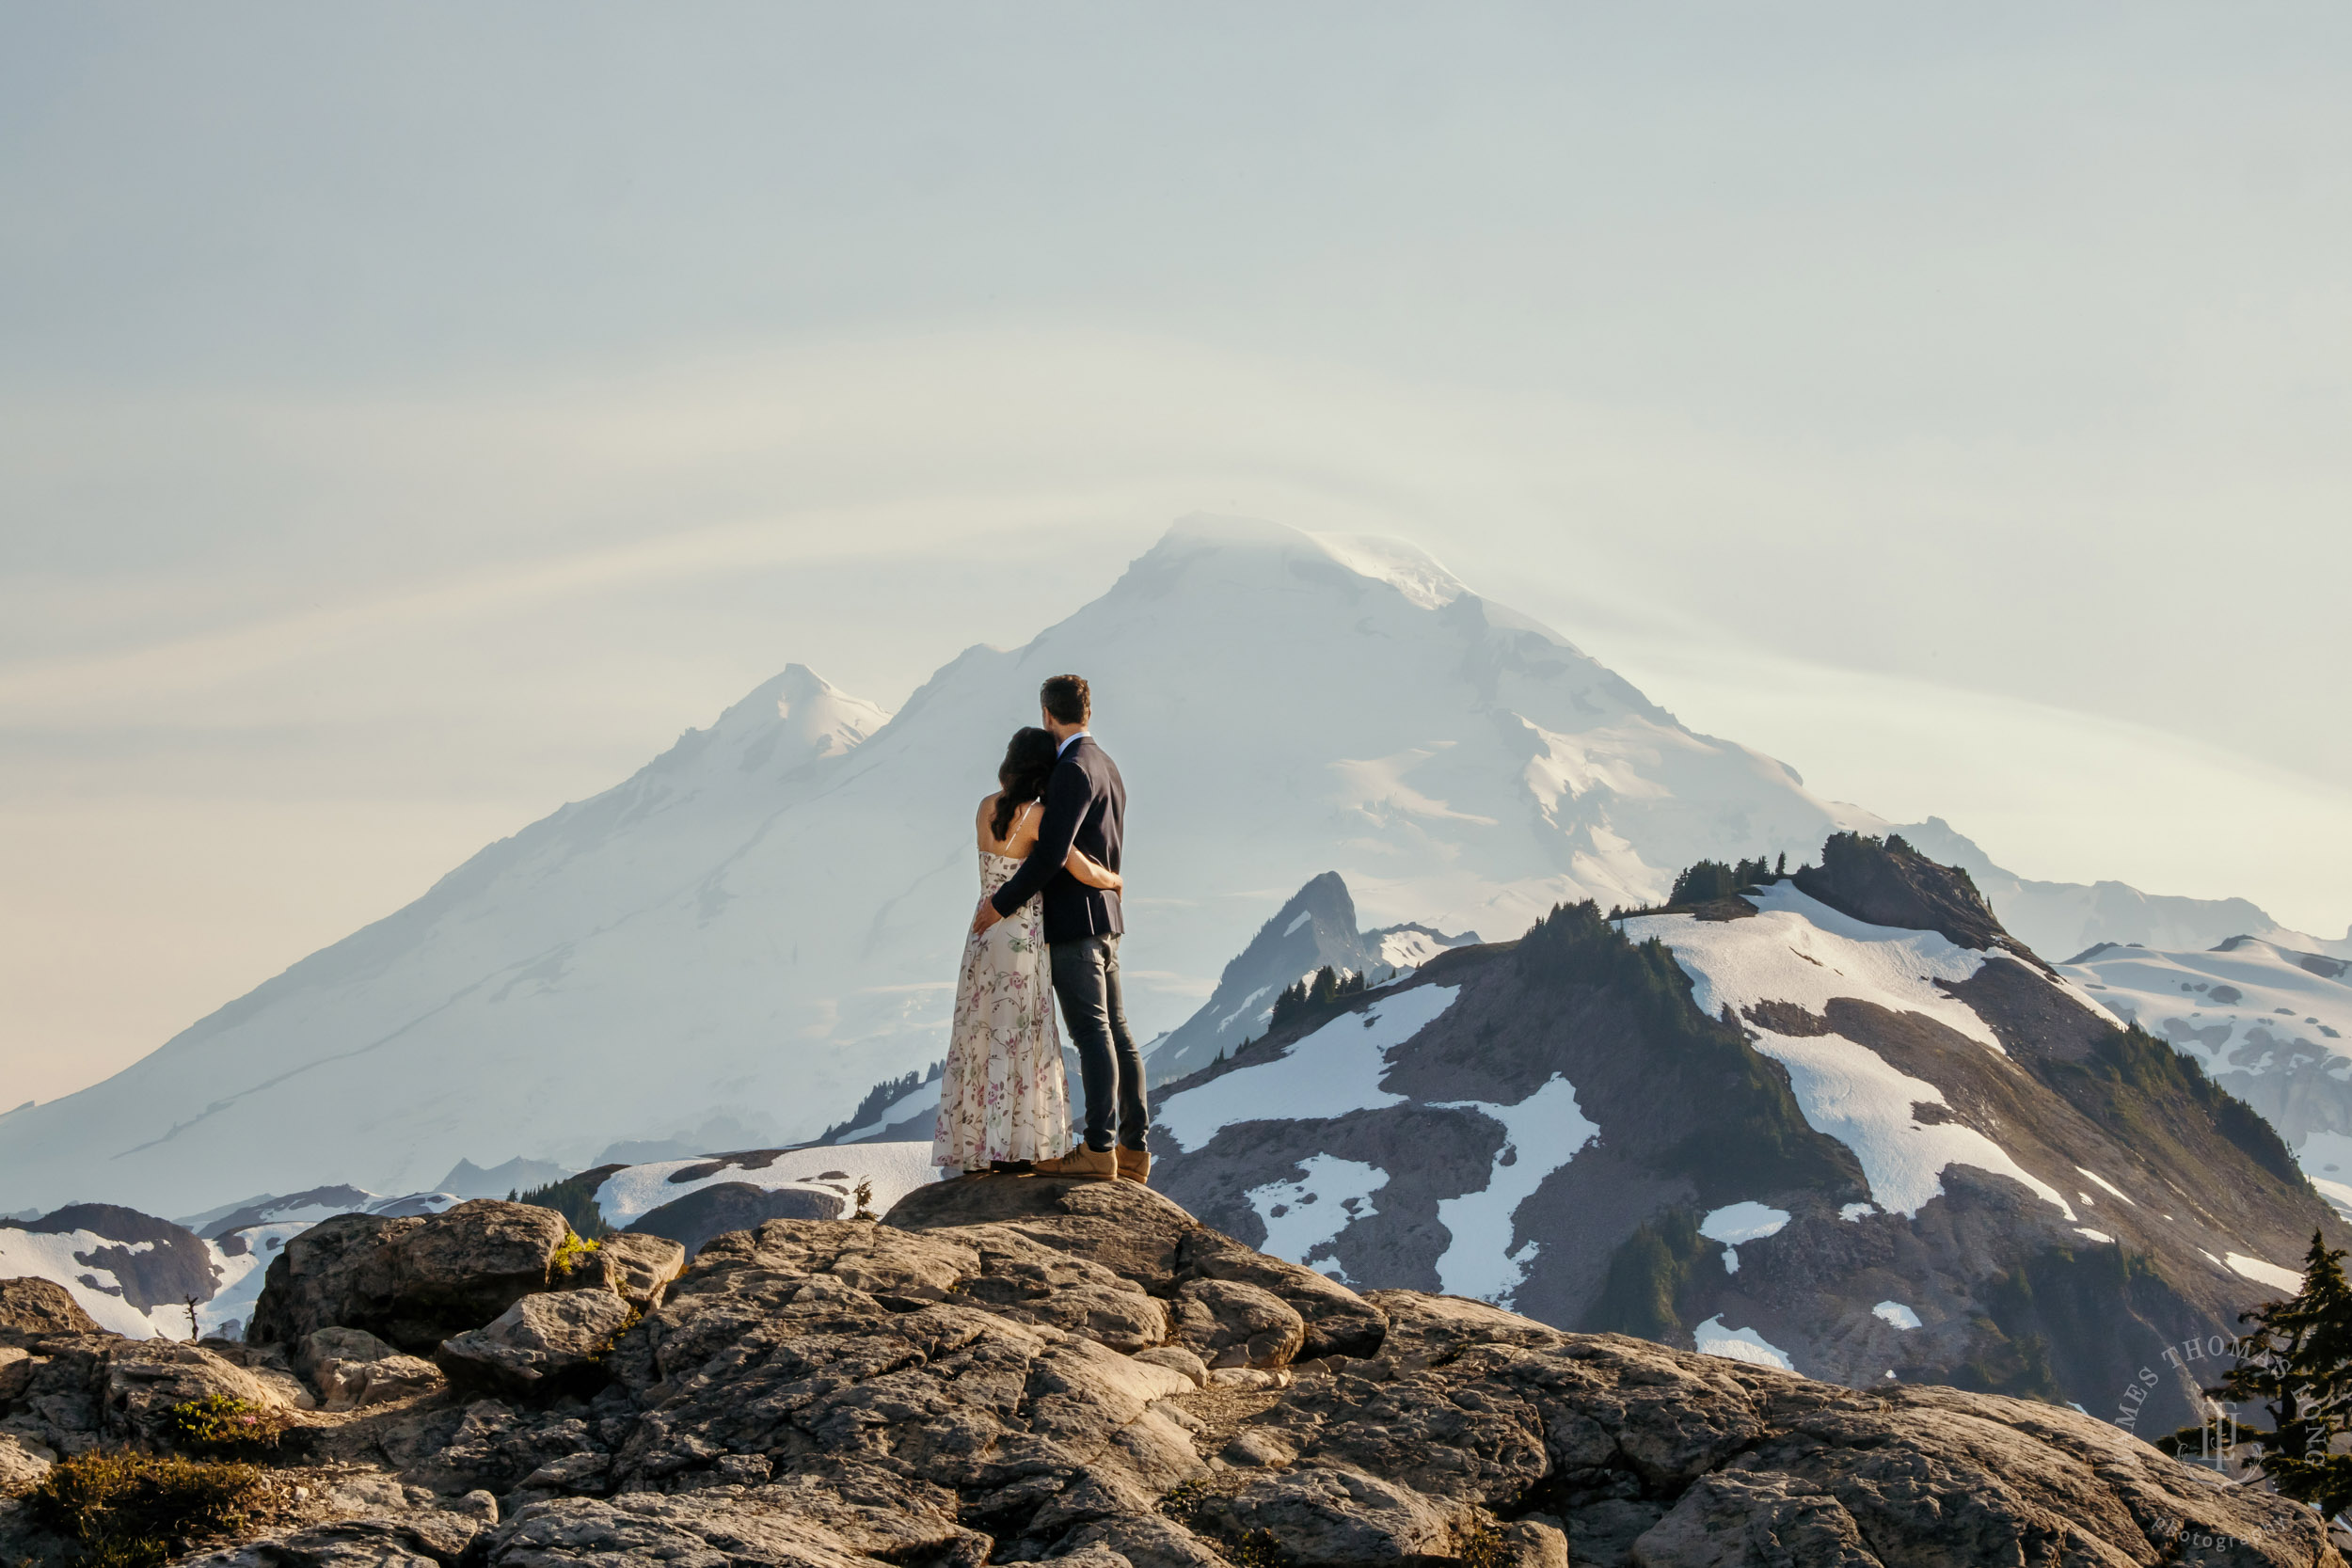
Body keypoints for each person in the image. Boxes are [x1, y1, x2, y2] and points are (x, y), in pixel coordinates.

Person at [972, 673, 1147, 1181]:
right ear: (1087, 711)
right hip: (1106, 919)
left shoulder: (1071, 769)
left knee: (1092, 1033)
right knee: (1119, 1032)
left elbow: (1052, 852)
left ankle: (1098, 1148)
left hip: (1073, 922)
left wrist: (1000, 903)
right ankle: (1134, 1149)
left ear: (1048, 714)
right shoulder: (1108, 766)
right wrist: (1112, 882)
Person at [933, 726, 1123, 1176]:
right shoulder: (1038, 816)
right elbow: (1079, 868)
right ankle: (1018, 1146)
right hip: (1021, 934)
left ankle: (979, 1146)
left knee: (981, 1034)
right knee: (1022, 1036)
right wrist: (1115, 880)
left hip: (983, 931)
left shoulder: (985, 808)